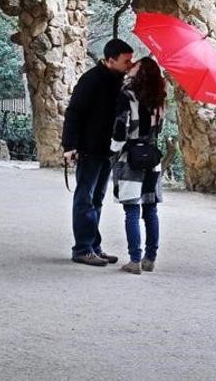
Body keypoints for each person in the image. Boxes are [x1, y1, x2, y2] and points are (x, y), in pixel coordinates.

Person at [62, 38, 134, 266]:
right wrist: (69, 146)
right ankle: (82, 248)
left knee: (97, 199)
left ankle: (93, 245)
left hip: (107, 149)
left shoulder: (119, 81)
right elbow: (74, 112)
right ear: (111, 60)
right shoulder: (91, 80)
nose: (130, 64)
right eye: (126, 61)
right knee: (85, 197)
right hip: (89, 148)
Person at [109, 56, 166, 275]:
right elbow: (157, 130)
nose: (131, 68)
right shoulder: (159, 99)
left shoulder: (127, 96)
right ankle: (150, 258)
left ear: (140, 74)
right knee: (150, 210)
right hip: (152, 158)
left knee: (131, 210)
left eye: (135, 67)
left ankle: (134, 260)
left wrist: (113, 150)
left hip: (130, 158)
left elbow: (121, 129)